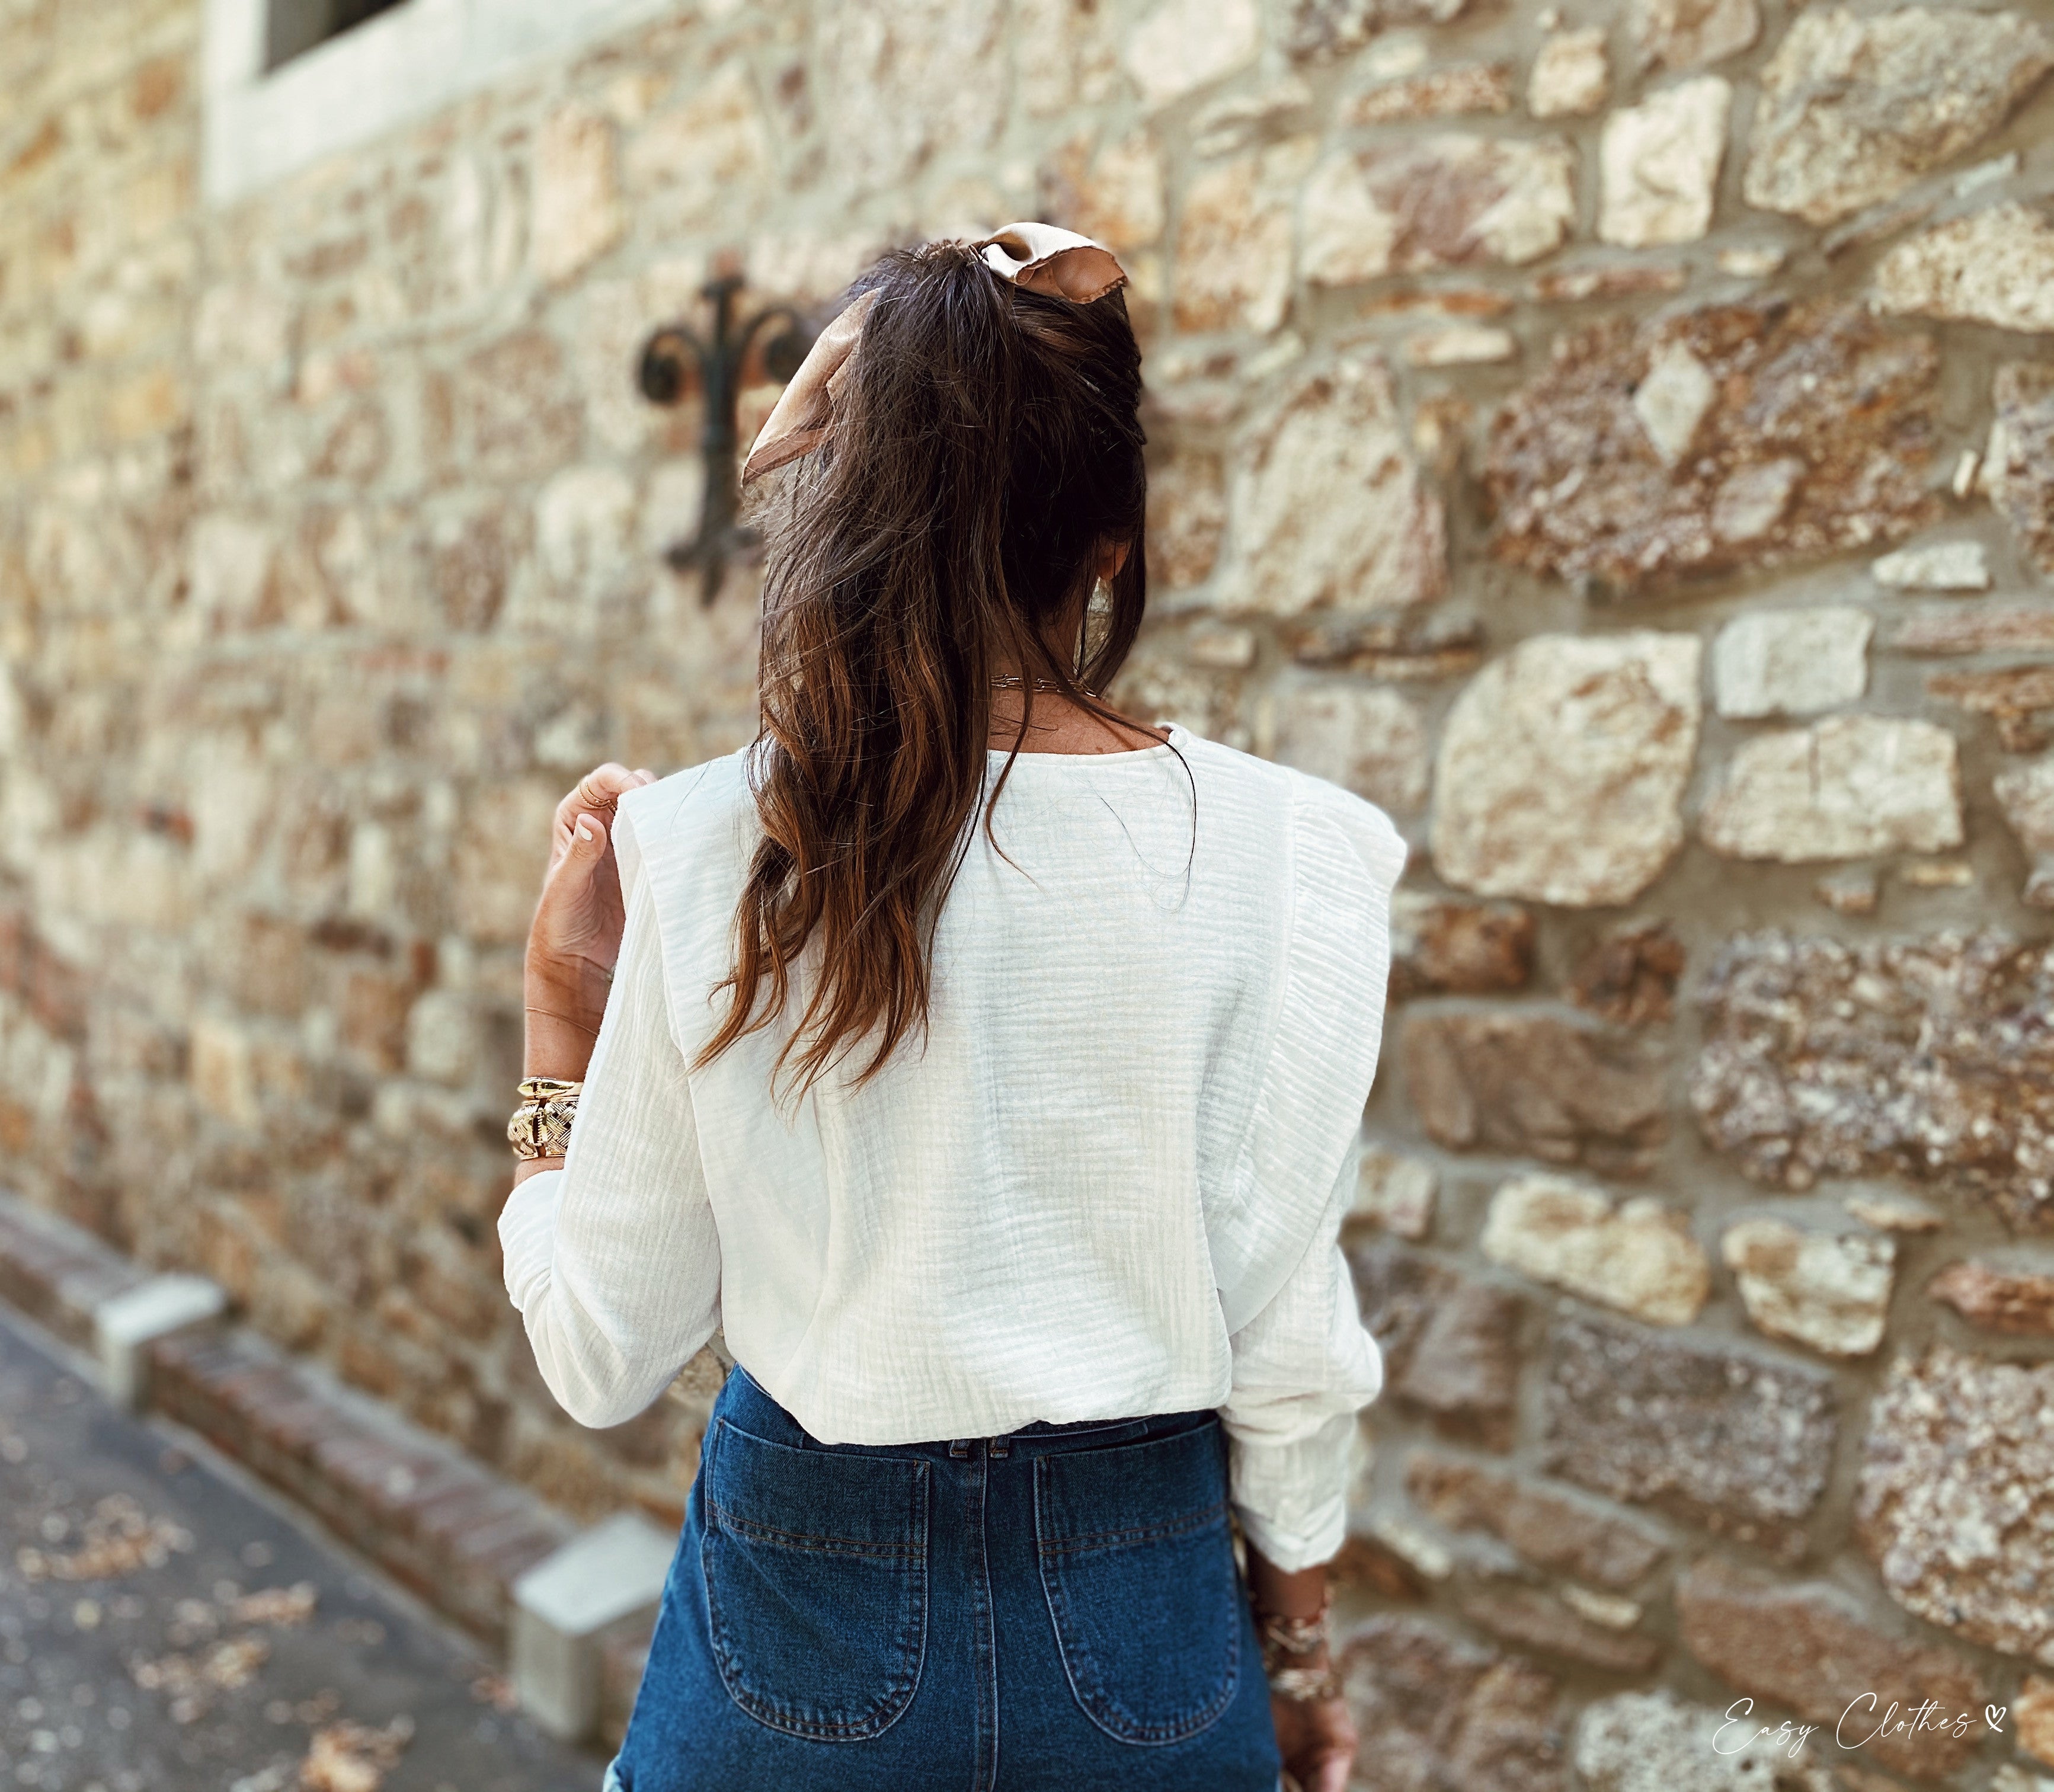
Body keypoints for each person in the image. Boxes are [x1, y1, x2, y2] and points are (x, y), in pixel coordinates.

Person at [499, 224, 1403, 1792]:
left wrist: (560, 1035)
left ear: (848, 519)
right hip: (1151, 1634)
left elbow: (600, 1352)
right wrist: (1301, 1650)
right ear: (1112, 541)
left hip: (794, 1630)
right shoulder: (1295, 855)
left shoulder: (714, 840)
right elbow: (1287, 1339)